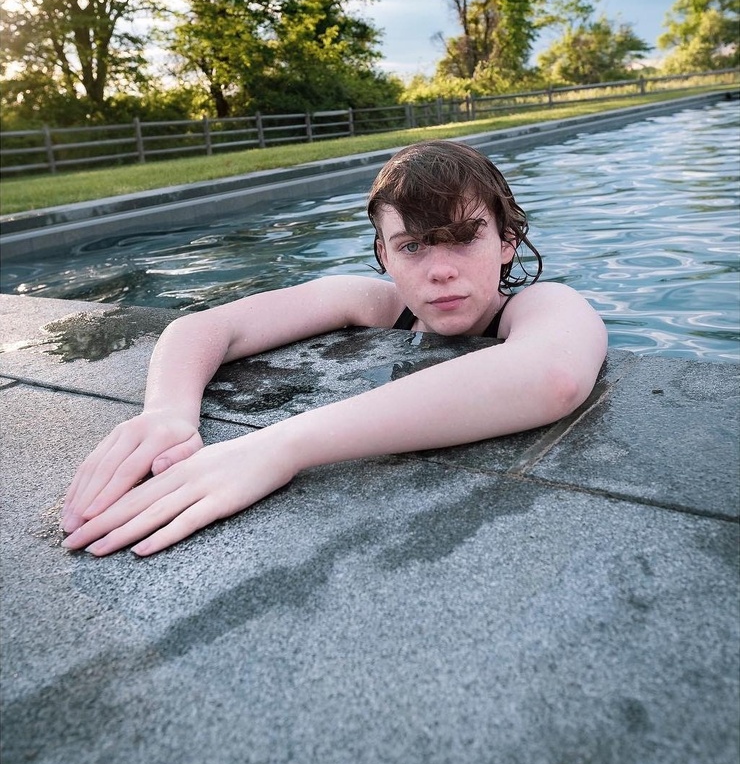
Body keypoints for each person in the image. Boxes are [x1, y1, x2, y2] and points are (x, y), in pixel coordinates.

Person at [61, 139, 607, 557]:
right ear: (385, 254)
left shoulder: (542, 305)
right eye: (412, 246)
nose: (440, 271)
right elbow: (208, 326)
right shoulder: (374, 302)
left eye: (465, 238)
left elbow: (551, 376)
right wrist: (166, 412)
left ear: (507, 242)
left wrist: (277, 447)